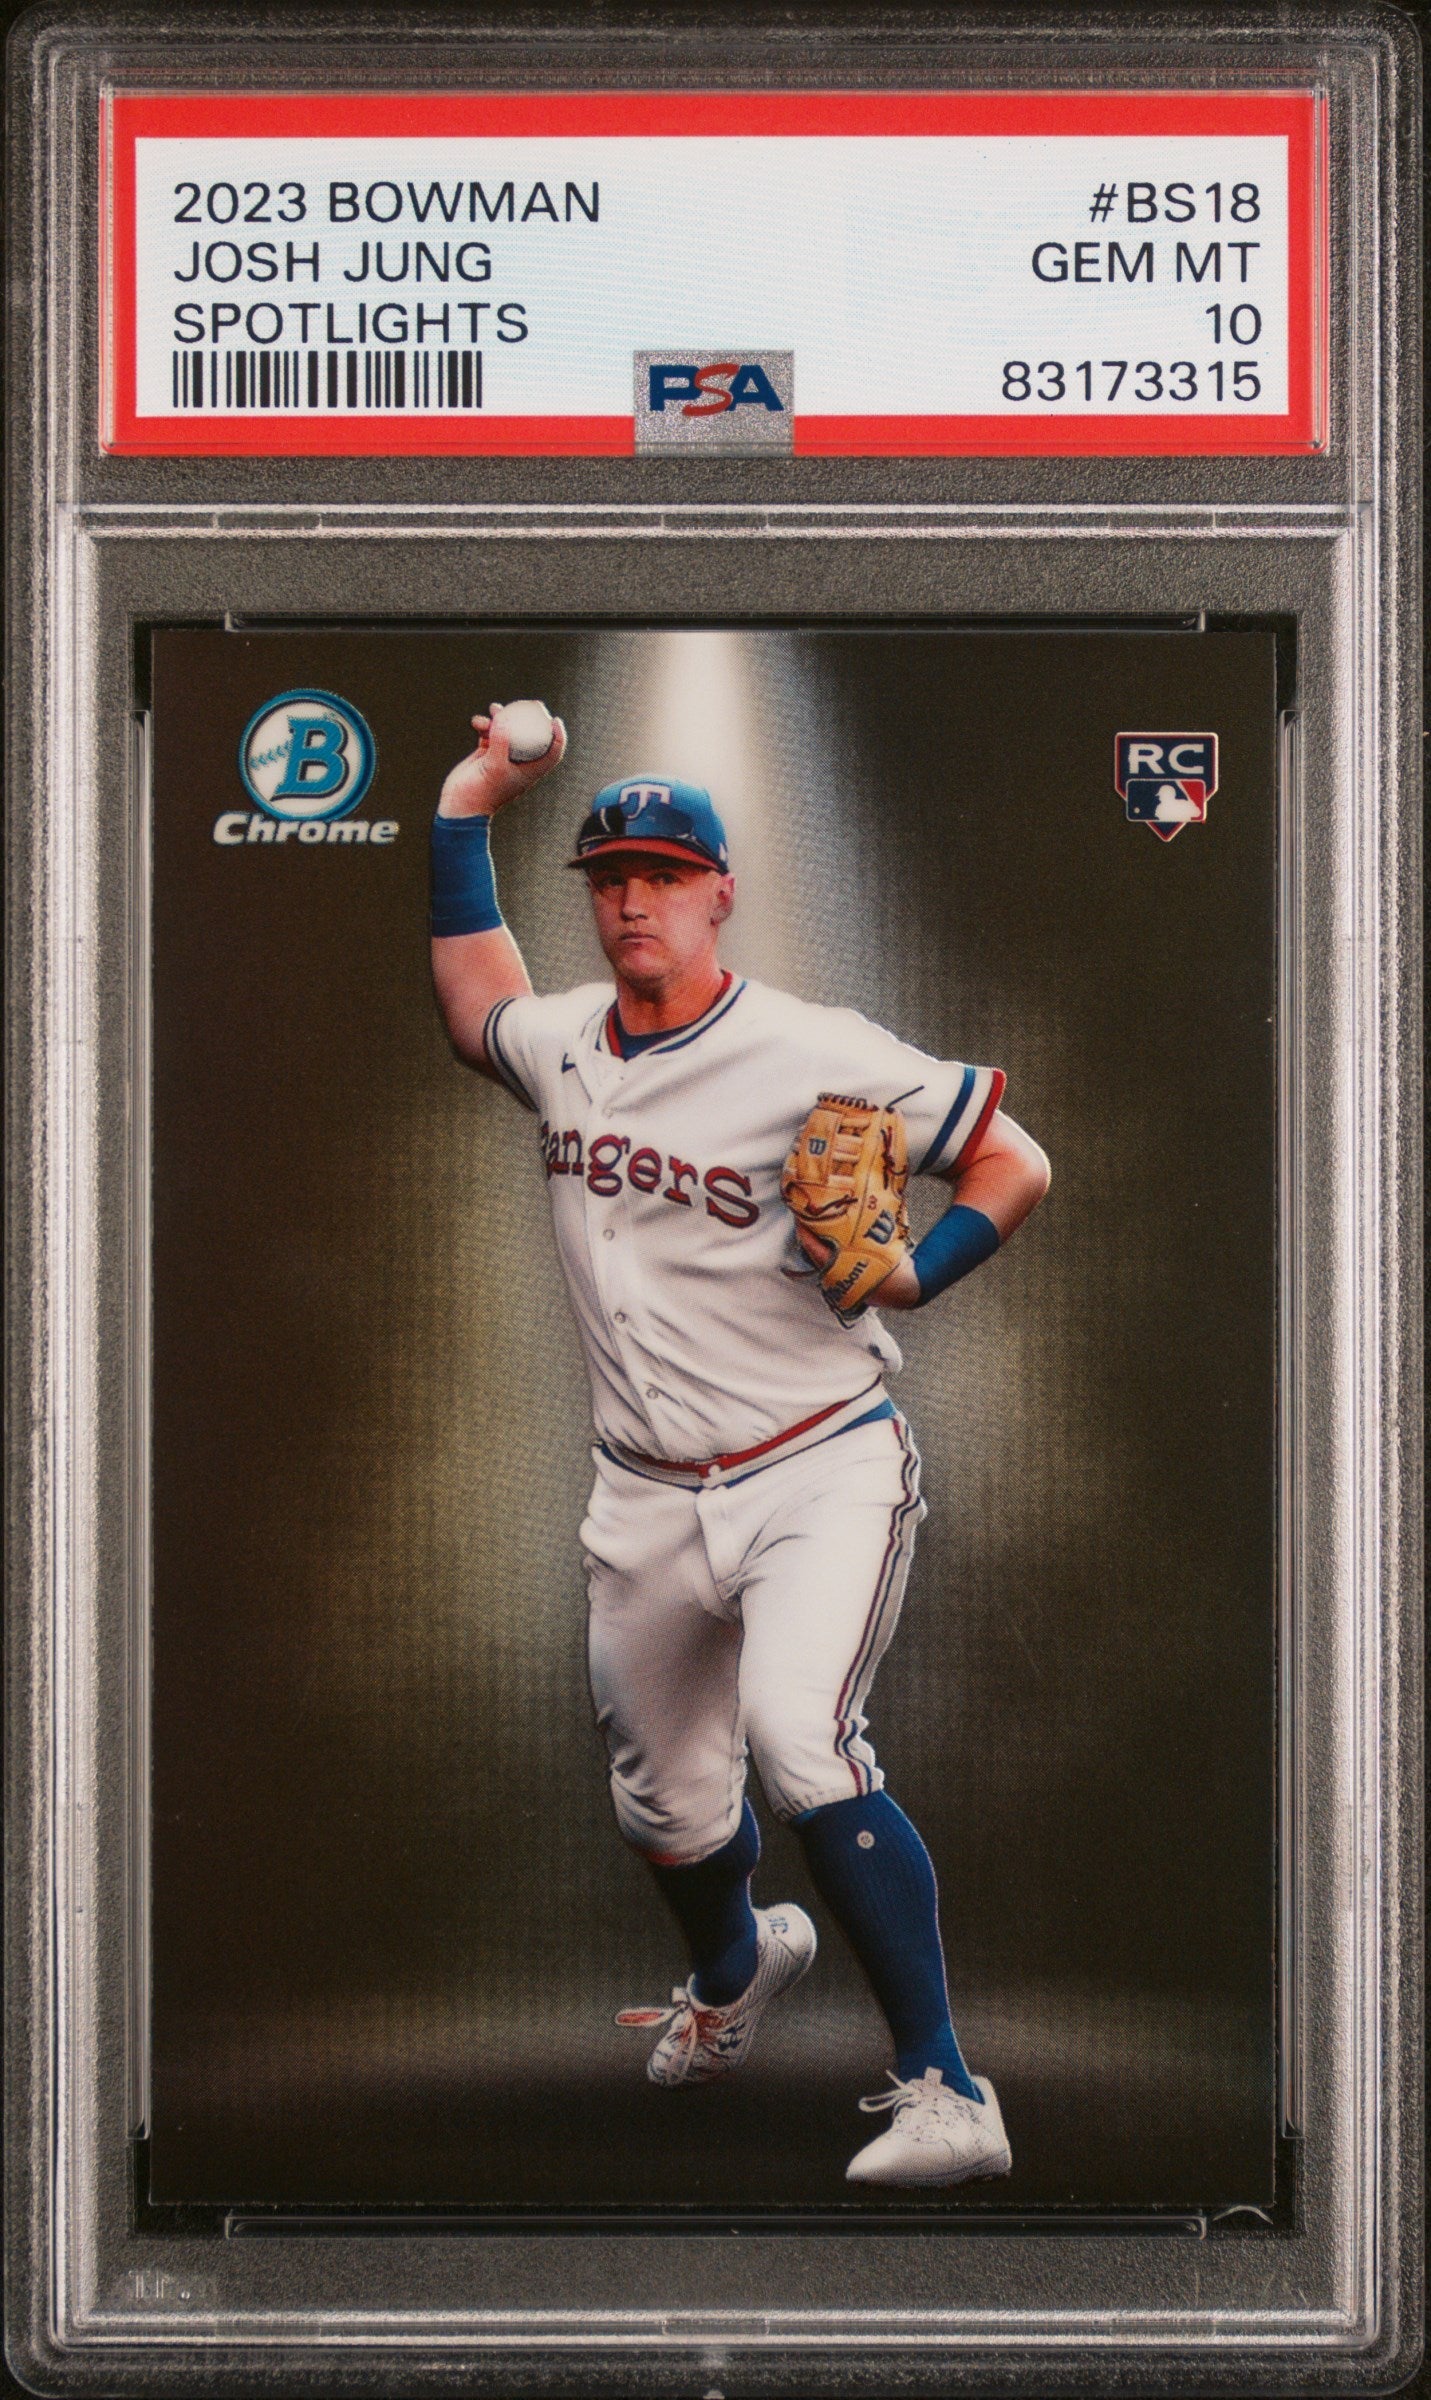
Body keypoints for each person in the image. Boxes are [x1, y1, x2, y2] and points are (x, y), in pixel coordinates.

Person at [430, 701, 1050, 2186]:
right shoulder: (562, 1044)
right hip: (643, 1492)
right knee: (664, 1807)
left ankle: (949, 2092)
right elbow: (474, 1002)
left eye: (661, 873)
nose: (631, 899)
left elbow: (1013, 1159)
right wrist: (467, 803)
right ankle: (734, 1971)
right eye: (609, 877)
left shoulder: (812, 1049)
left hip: (815, 1466)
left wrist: (918, 1273)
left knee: (800, 1741)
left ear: (720, 892)